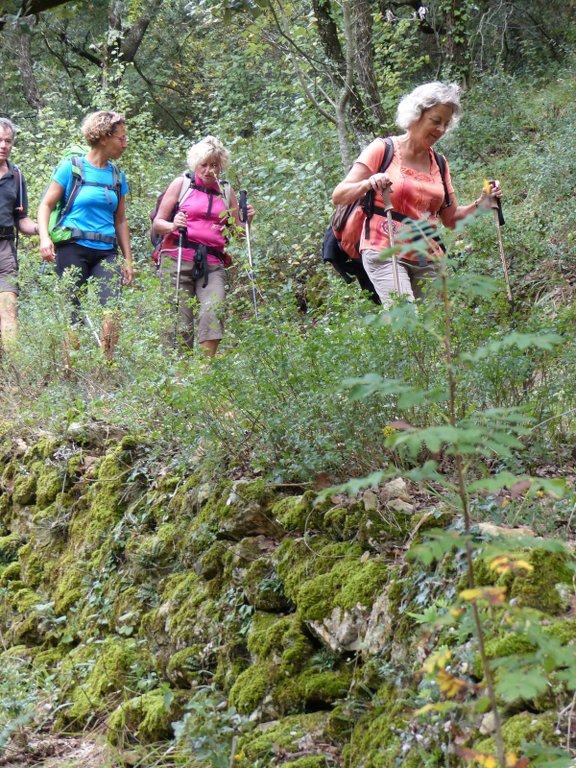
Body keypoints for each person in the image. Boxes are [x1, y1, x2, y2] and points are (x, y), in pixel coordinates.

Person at [332, 81, 502, 306]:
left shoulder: (439, 164)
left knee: (432, 329)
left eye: (446, 123)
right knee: (405, 318)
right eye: (435, 120)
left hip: (427, 257)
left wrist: (482, 203)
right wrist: (369, 183)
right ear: (415, 116)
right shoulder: (383, 149)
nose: (441, 129)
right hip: (384, 248)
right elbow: (339, 195)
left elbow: (450, 220)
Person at [37, 110, 133, 360]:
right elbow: (45, 205)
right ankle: (71, 369)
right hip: (73, 247)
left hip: (107, 252)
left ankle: (106, 367)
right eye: (121, 138)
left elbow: (120, 220)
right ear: (104, 137)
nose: (125, 143)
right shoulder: (72, 168)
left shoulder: (116, 175)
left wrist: (128, 259)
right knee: (73, 312)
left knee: (111, 309)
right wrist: (45, 239)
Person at [152, 135, 254, 357]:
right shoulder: (182, 185)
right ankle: (180, 379)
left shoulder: (227, 192)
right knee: (179, 318)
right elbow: (158, 223)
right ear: (195, 164)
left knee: (214, 310)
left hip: (212, 262)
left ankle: (203, 375)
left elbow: (237, 235)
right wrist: (172, 225)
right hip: (177, 257)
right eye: (204, 165)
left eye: (214, 165)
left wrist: (247, 221)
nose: (209, 170)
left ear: (221, 166)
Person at [0, 117, 38, 348]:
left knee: (8, 310)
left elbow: (21, 220)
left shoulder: (16, 175)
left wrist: (42, 229)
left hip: (4, 250)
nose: (3, 146)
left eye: (8, 141)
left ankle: (14, 377)